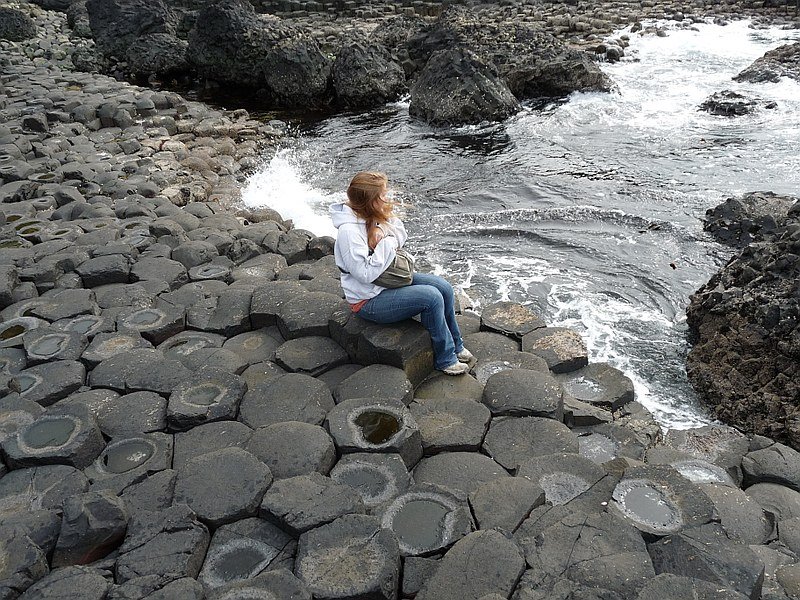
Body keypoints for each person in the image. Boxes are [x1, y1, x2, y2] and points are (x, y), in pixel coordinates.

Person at [331, 171, 474, 375]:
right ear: (371, 201)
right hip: (368, 299)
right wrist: (387, 244)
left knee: (443, 287)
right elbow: (364, 274)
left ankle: (456, 345)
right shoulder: (348, 232)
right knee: (431, 297)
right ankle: (445, 358)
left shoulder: (372, 215)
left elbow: (401, 233)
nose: (386, 198)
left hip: (387, 282)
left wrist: (384, 235)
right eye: (382, 195)